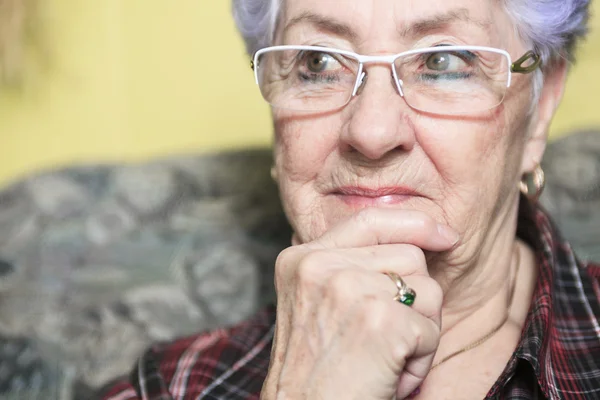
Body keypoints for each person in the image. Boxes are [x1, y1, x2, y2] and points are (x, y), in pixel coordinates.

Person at [102, 0, 600, 398]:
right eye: (317, 63)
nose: (372, 131)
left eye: (443, 61)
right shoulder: (169, 385)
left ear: (539, 108)